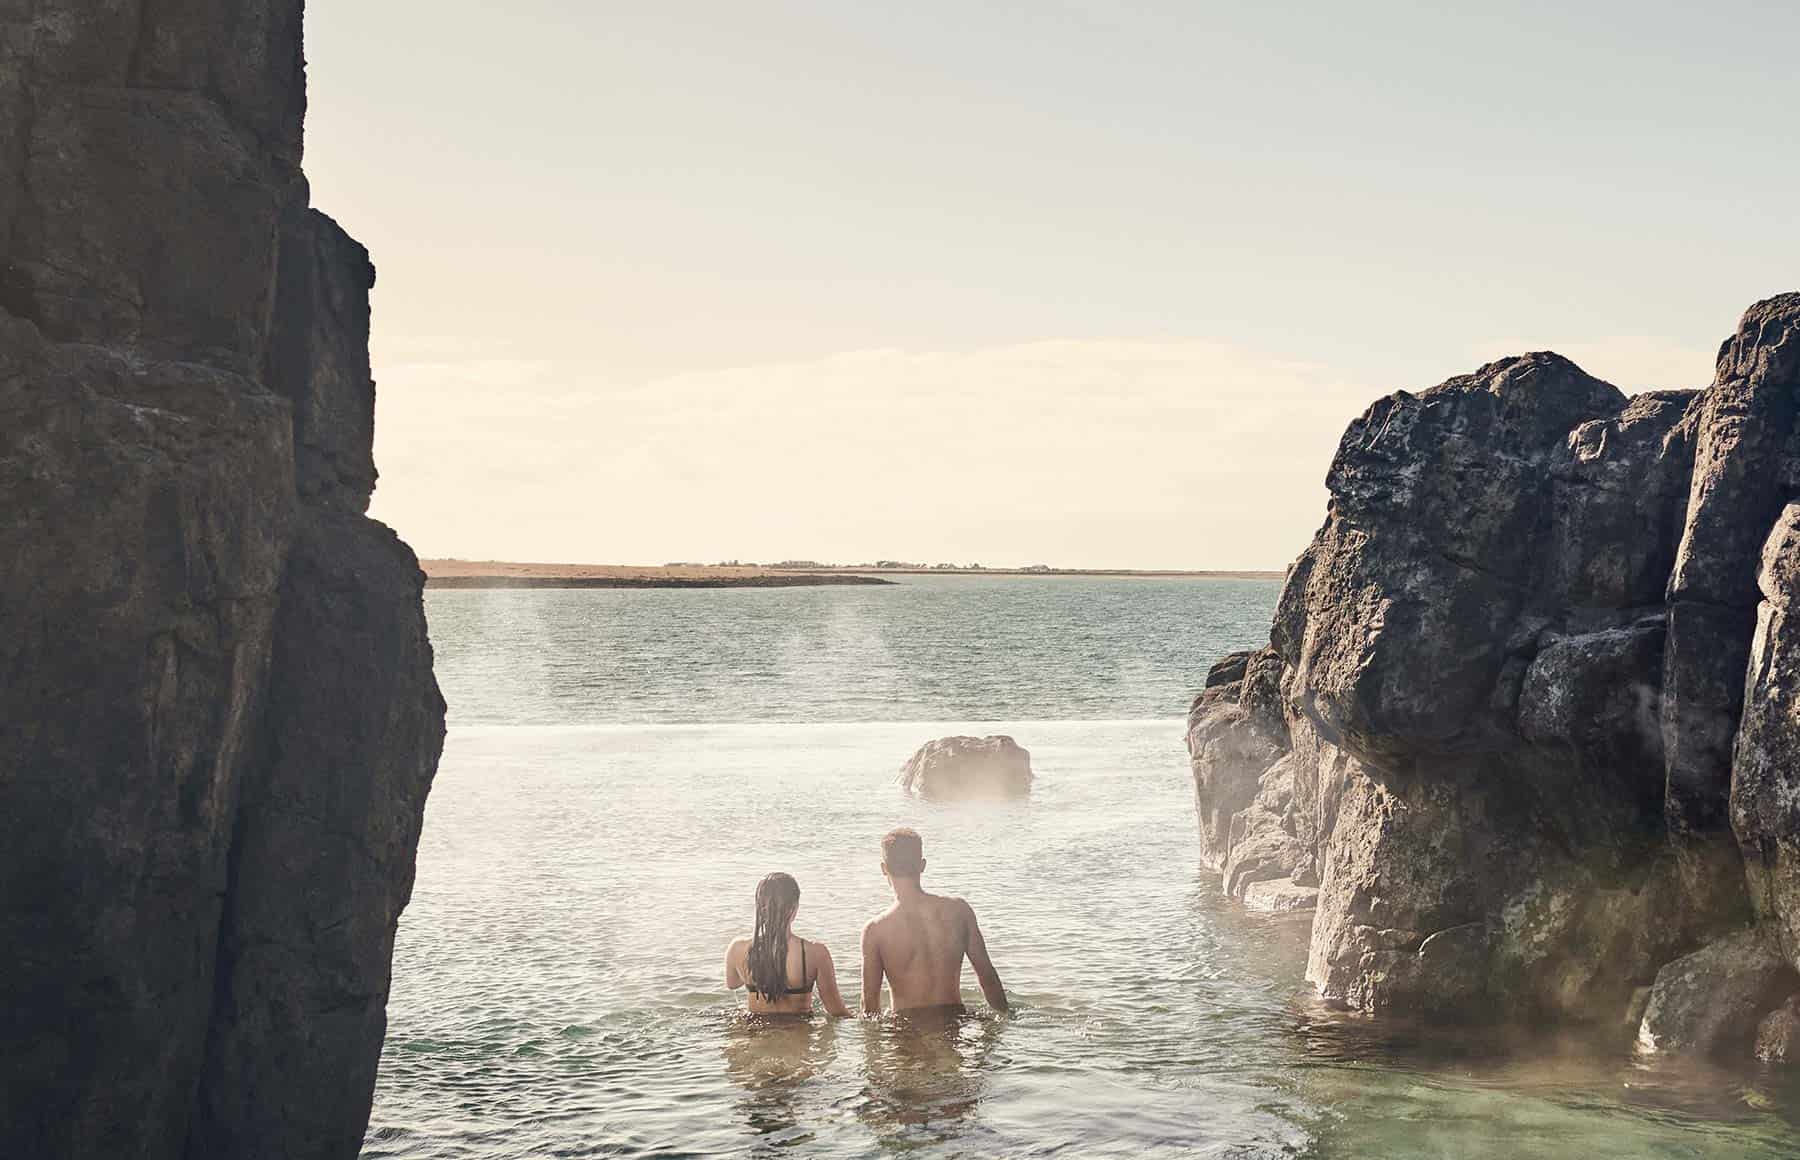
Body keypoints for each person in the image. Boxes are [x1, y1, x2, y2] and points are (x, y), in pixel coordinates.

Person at [860, 828, 1008, 1014]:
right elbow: (988, 978)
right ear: (922, 865)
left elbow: (869, 1003)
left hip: (906, 1030)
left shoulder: (876, 930)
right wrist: (1004, 1022)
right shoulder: (959, 911)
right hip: (954, 1020)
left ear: (884, 868)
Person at [724, 872, 852, 1017]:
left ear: (760, 908)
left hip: (755, 1033)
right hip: (797, 1035)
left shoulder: (737, 948)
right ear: (794, 908)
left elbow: (732, 983)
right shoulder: (815, 953)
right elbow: (835, 1010)